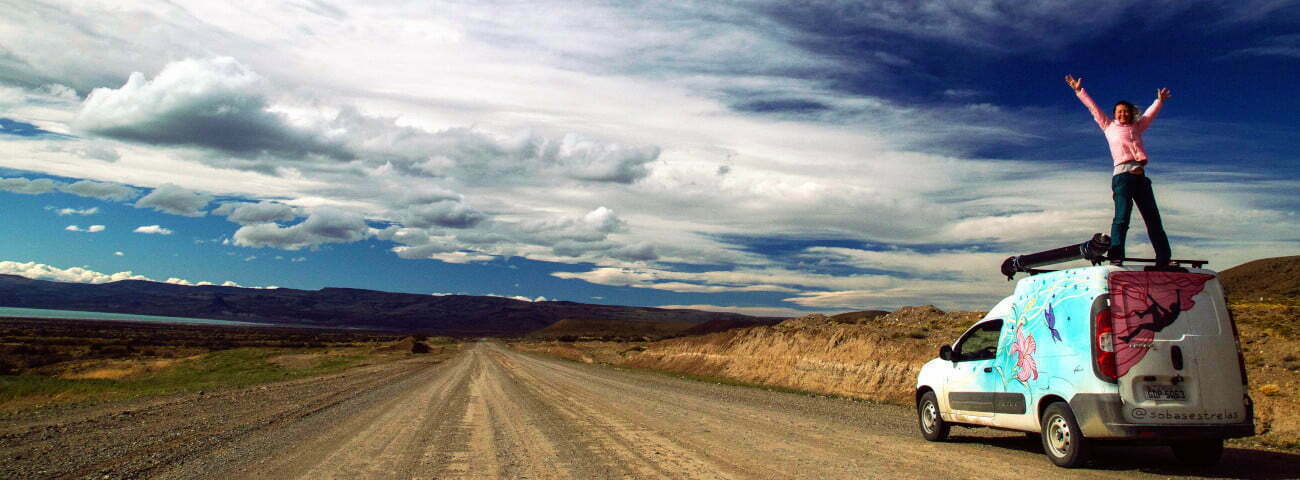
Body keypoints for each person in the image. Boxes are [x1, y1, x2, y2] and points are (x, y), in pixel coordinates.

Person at [1066, 74, 1173, 266]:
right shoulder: (1108, 126)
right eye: (1119, 112)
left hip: (1141, 178)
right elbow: (1094, 108)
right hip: (1122, 178)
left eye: (1126, 112)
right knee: (1122, 219)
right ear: (1114, 114)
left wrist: (1159, 101)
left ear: (1131, 113)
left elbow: (1149, 115)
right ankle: (1116, 256)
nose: (1122, 114)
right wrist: (1079, 90)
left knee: (1154, 221)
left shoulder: (1137, 127)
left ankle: (1164, 259)